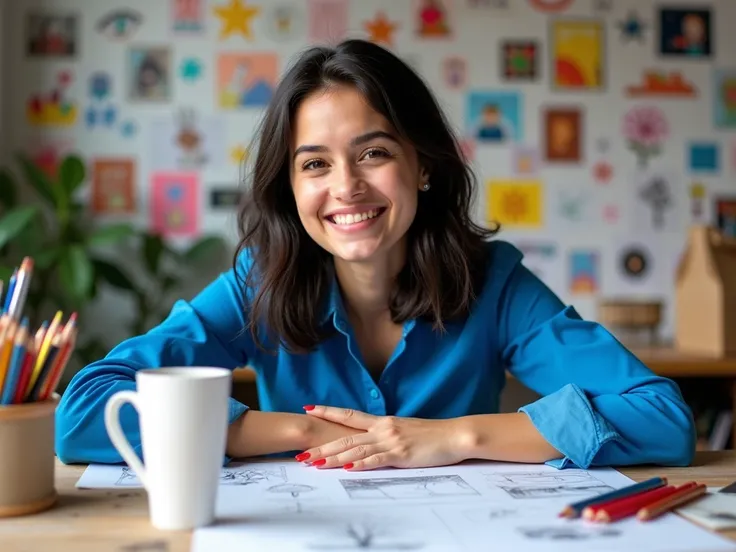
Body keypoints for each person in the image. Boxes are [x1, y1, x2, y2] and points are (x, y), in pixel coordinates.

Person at [56, 39, 695, 472]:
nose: (346, 188)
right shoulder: (261, 284)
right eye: (315, 164)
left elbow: (662, 418)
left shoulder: (493, 283)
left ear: (422, 166)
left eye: (374, 153)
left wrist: (453, 437)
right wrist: (299, 431)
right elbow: (83, 413)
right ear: (291, 187)